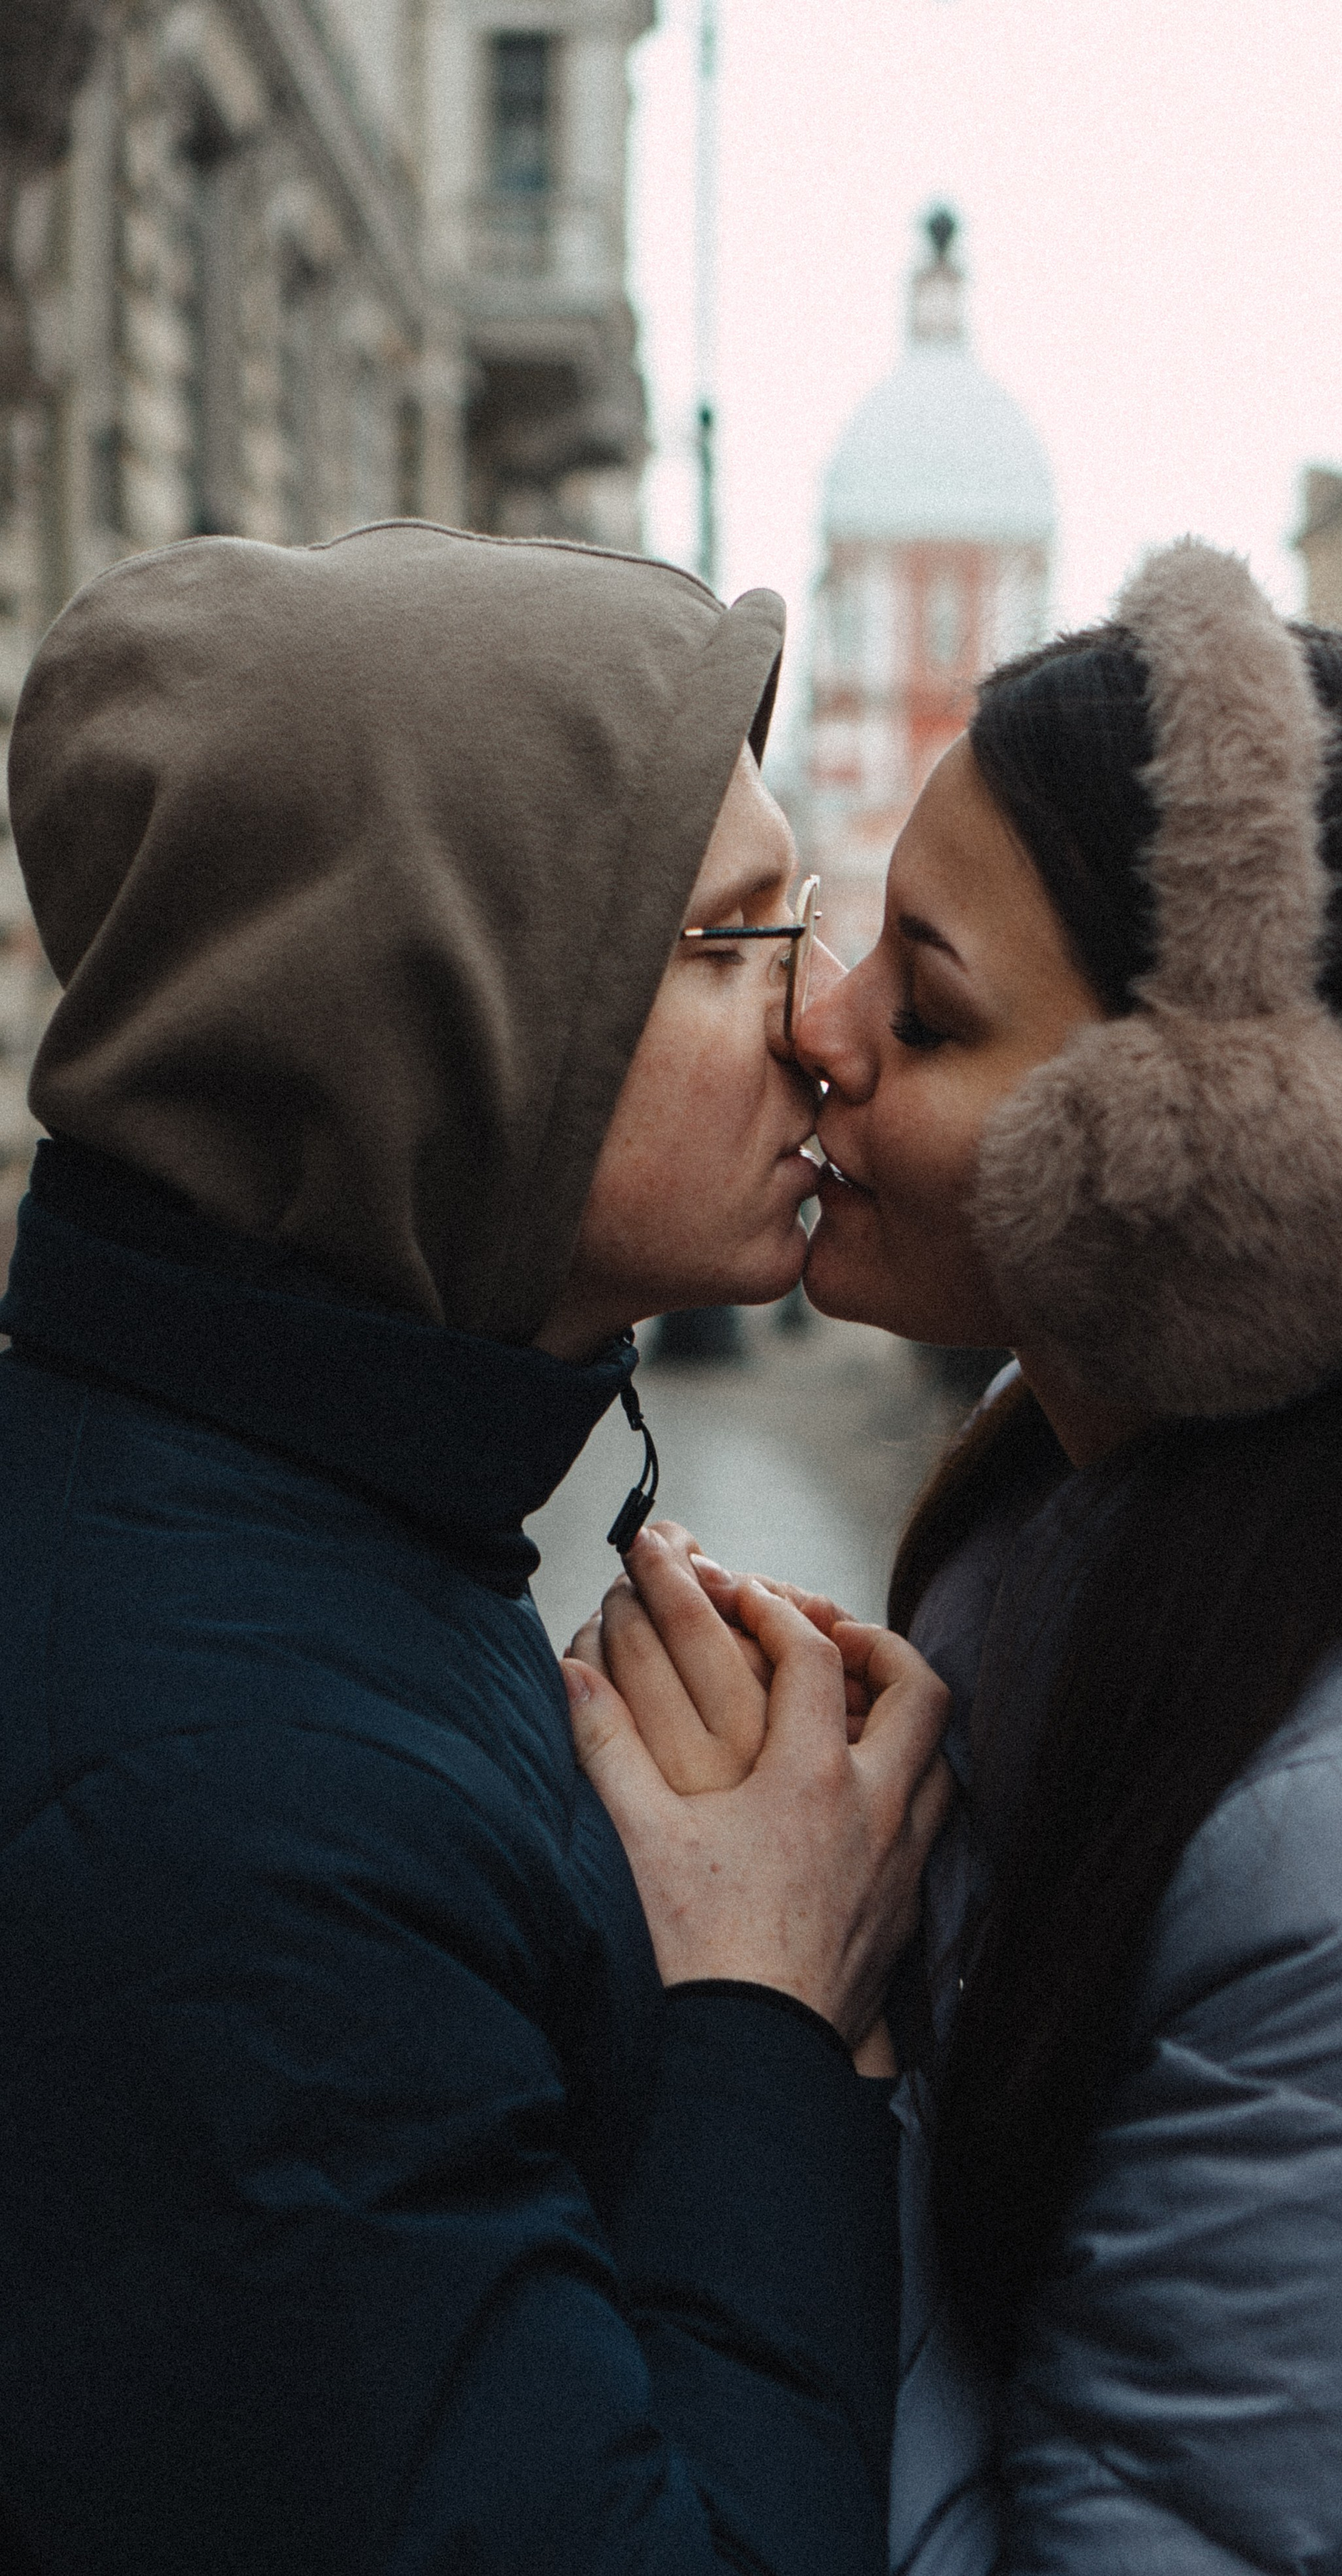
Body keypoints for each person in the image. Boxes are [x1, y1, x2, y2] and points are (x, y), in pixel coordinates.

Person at [574, 543, 1342, 2574]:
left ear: (1230, 1179)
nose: (813, 1033)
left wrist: (793, 2045)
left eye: (920, 1007)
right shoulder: (1100, 1575)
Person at [0, 521, 951, 2576]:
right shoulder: (234, 1817)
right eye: (732, 940)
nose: (815, 1024)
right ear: (454, 1022)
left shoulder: (325, 1527)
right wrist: (768, 2015)